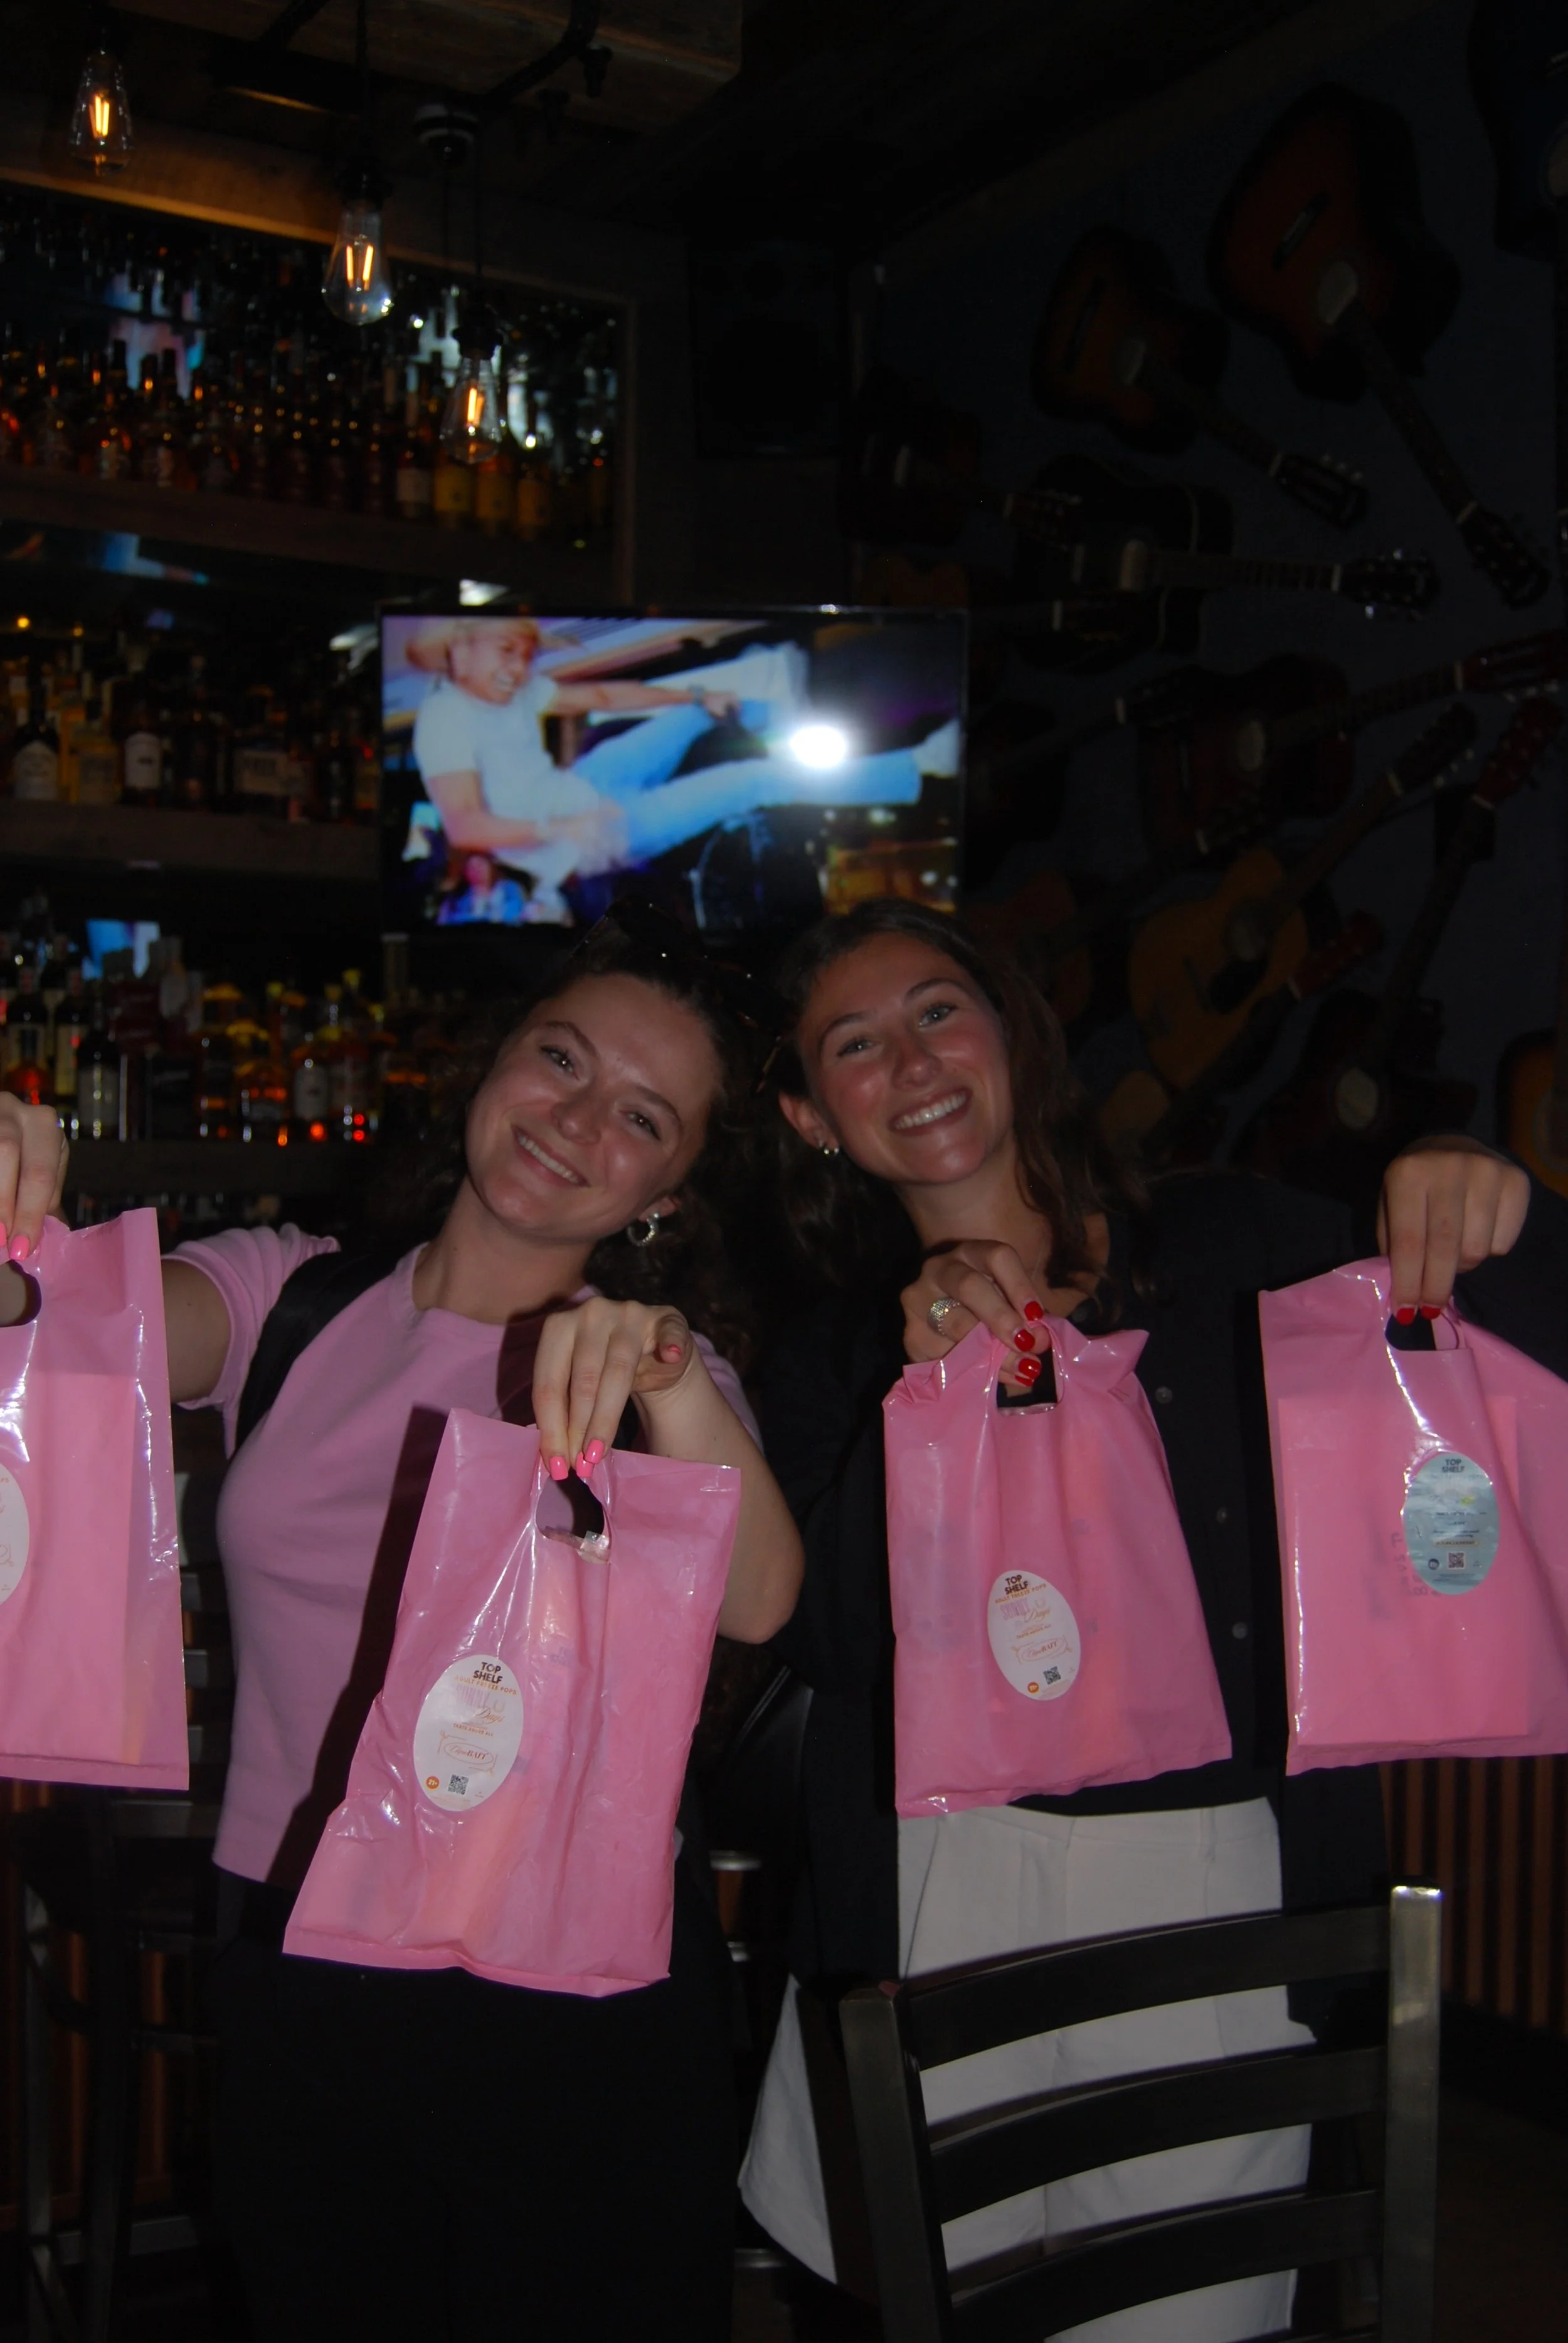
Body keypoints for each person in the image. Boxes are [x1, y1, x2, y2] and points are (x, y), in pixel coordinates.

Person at [739, 896, 1561, 2340]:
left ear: (1009, 1034)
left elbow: (1521, 1334)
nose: (913, 1058)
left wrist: (1485, 1192)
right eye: (855, 1045)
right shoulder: (825, 1352)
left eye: (939, 1007)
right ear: (815, 1119)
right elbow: (834, 1643)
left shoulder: (1240, 1243)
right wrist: (917, 1390)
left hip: (1218, 1879)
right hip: (937, 1877)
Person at [0, 914, 803, 2343]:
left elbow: (757, 1594)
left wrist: (666, 1372)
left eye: (641, 1115)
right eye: (561, 1057)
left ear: (668, 1188)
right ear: (493, 1060)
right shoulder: (291, 1299)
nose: (575, 1118)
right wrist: (14, 1252)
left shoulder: (654, 1368)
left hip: (582, 1990)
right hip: (303, 1962)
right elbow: (80, 1337)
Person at [407, 617, 960, 922]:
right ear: (460, 653)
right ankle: (919, 768)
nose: (518, 667)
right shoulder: (444, 721)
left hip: (588, 781)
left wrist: (695, 691)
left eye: (525, 654)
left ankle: (782, 687)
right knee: (752, 782)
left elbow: (602, 692)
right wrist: (559, 829)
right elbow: (466, 827)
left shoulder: (515, 689)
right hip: (595, 834)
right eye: (507, 650)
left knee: (695, 708)